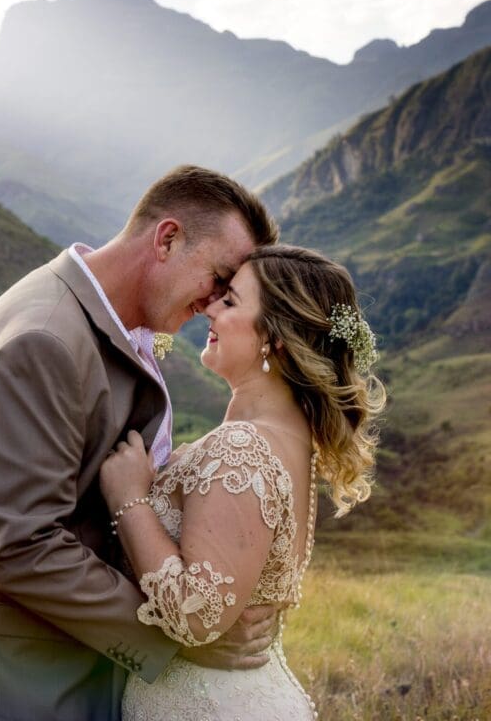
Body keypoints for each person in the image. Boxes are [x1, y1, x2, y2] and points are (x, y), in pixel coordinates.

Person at [0, 165, 280, 720]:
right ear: (168, 238)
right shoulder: (43, 341)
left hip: (50, 671)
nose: (212, 305)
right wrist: (179, 634)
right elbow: (22, 548)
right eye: (218, 278)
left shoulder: (104, 323)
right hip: (1, 685)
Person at [100, 244, 386, 720]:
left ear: (275, 337)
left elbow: (196, 616)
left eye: (230, 301)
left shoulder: (242, 450)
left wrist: (130, 500)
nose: (210, 307)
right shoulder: (290, 442)